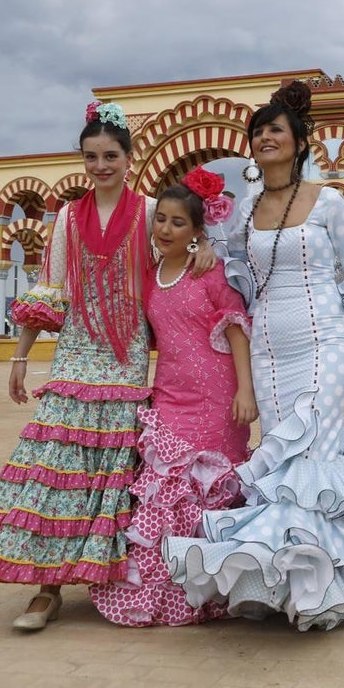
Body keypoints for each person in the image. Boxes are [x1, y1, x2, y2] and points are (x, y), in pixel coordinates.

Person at [0, 101, 215, 630]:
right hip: (76, 349)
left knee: (112, 473)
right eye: (92, 156)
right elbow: (51, 289)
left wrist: (205, 245)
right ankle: (46, 589)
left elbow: (177, 246)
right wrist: (22, 355)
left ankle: (109, 575)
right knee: (59, 466)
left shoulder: (147, 213)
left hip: (125, 356)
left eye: (110, 155)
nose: (101, 165)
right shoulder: (68, 219)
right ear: (84, 159)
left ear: (128, 157)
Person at [163, 81, 344, 631]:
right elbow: (225, 261)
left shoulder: (329, 201)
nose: (264, 137)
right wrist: (205, 246)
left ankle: (320, 589)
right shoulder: (245, 211)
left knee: (311, 449)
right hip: (270, 345)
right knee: (280, 459)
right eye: (257, 131)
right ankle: (280, 582)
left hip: (325, 336)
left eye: (276, 129)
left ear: (299, 142)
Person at [90, 169, 256, 626]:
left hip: (217, 395)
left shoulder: (211, 271)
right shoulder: (149, 270)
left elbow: (237, 329)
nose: (164, 229)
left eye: (177, 222)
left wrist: (245, 390)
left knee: (205, 492)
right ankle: (162, 593)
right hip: (168, 395)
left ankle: (209, 591)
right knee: (164, 491)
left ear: (197, 231)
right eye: (160, 219)